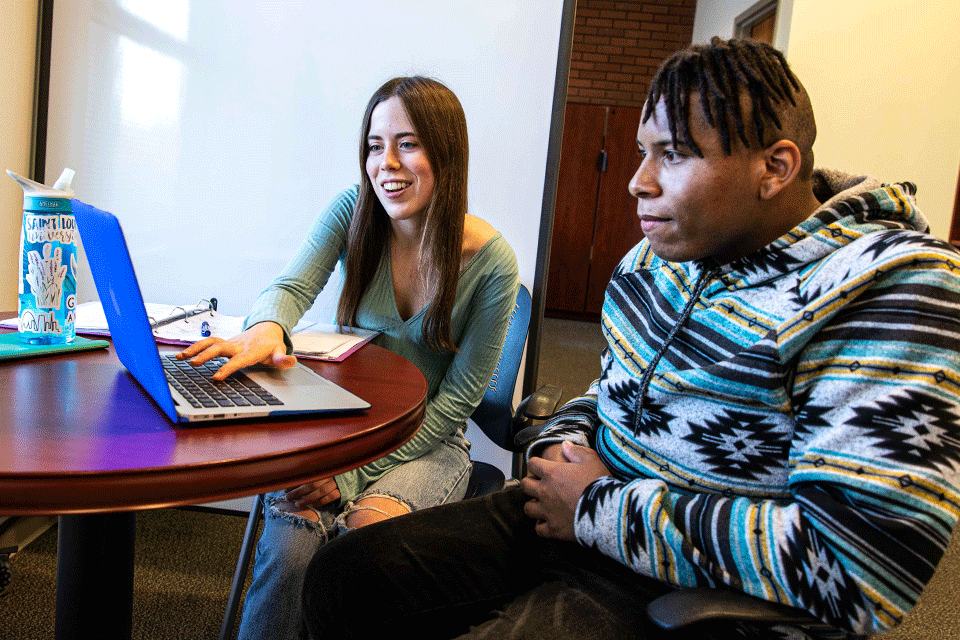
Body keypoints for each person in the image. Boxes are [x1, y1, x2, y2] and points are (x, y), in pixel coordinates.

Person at [299, 38, 960, 640]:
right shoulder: (657, 261)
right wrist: (569, 434)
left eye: (671, 154)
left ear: (775, 167)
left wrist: (596, 506)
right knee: (344, 575)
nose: (637, 181)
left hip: (695, 585)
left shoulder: (889, 291)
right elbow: (616, 391)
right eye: (644, 151)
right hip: (581, 522)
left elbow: (858, 567)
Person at [178, 76, 519, 640]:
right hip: (335, 425)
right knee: (291, 554)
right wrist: (266, 328)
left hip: (426, 441)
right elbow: (288, 289)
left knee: (361, 555)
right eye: (373, 145)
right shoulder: (352, 211)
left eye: (407, 144)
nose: (386, 163)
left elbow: (458, 400)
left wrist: (354, 475)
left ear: (448, 153)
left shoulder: (492, 262)